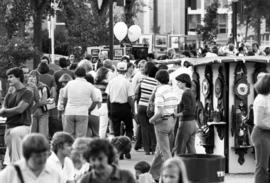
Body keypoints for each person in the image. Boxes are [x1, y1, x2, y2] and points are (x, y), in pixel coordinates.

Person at [149, 70, 179, 181]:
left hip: (161, 121)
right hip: (172, 120)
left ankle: (172, 177)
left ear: (157, 80)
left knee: (165, 152)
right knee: (160, 149)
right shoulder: (173, 90)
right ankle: (153, 175)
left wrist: (151, 120)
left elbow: (160, 111)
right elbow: (175, 109)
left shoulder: (159, 91)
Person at [0, 67, 33, 164]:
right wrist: (4, 110)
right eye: (8, 77)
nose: (8, 79)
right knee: (12, 159)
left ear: (18, 78)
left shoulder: (27, 92)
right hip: (9, 126)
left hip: (22, 127)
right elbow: (3, 106)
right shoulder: (10, 92)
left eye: (11, 77)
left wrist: (5, 111)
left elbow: (20, 109)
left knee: (18, 160)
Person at [0, 133, 65, 183]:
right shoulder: (11, 172)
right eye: (38, 156)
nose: (42, 159)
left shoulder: (54, 172)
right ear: (26, 156)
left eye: (45, 155)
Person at [106, 62, 134, 159]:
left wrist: (109, 109)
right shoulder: (128, 82)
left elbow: (108, 97)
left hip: (114, 107)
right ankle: (127, 149)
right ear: (126, 71)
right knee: (129, 129)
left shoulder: (111, 81)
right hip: (125, 107)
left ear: (117, 70)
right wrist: (133, 110)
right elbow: (130, 98)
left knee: (116, 131)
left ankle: (119, 151)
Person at [63, 67, 98, 137]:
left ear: (75, 74)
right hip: (83, 112)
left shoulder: (69, 84)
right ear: (85, 75)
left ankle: (68, 148)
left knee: (68, 137)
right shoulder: (89, 85)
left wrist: (65, 108)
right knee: (80, 137)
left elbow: (64, 98)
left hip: (69, 111)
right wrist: (89, 109)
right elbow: (95, 101)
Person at [135, 62, 158, 155]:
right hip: (151, 107)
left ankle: (147, 150)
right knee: (152, 126)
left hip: (141, 106)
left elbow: (136, 93)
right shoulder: (156, 82)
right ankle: (153, 148)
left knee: (144, 128)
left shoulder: (142, 80)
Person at [251, 73, 270, 183]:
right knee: (262, 167)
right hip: (261, 134)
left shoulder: (268, 97)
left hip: (267, 133)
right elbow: (259, 122)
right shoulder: (261, 99)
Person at [173, 73, 198, 155]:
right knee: (191, 149)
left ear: (184, 83)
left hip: (185, 124)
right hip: (193, 123)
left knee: (179, 148)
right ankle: (194, 166)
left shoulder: (185, 93)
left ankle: (178, 166)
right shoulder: (191, 92)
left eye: (179, 82)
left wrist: (176, 115)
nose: (177, 84)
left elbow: (188, 110)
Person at [28, 70, 50, 138]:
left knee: (43, 134)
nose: (32, 78)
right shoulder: (27, 87)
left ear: (37, 78)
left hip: (42, 112)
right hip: (31, 113)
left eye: (34, 77)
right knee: (31, 134)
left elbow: (44, 102)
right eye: (30, 76)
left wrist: (35, 103)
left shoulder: (43, 87)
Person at [95, 67, 110, 138]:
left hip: (95, 105)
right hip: (104, 105)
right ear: (105, 74)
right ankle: (101, 142)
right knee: (103, 127)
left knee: (96, 126)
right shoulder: (107, 83)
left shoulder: (94, 83)